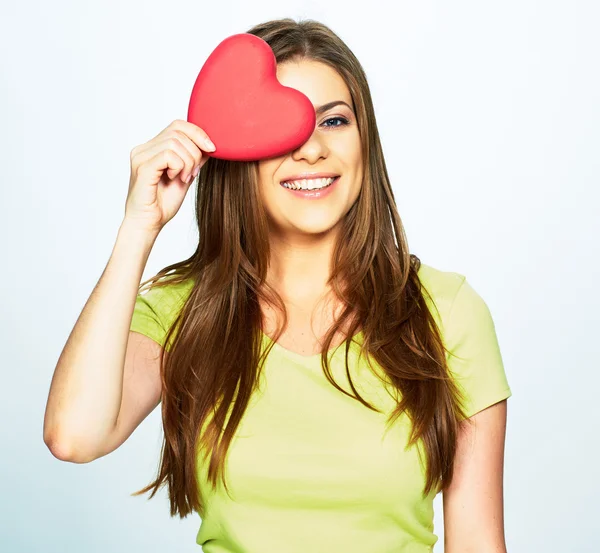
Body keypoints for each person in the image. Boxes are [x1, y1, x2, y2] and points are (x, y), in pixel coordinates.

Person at [43, 17, 512, 553]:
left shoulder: (447, 311)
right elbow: (73, 435)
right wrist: (138, 228)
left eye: (334, 122)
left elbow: (477, 541)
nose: (311, 149)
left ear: (366, 143)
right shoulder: (184, 312)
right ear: (237, 151)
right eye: (281, 126)